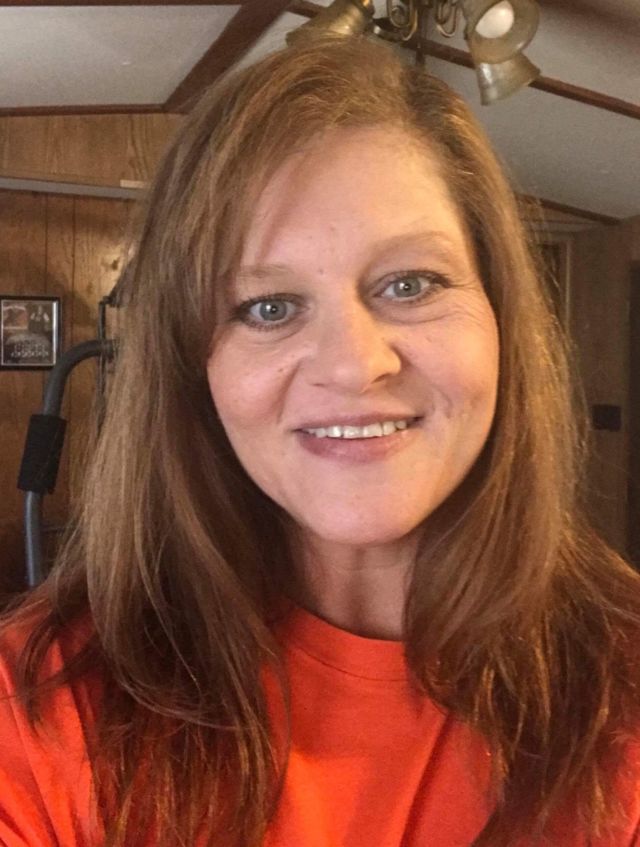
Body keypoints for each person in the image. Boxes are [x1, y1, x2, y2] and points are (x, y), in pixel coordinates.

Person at [1, 33, 639, 847]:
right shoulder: (41, 707)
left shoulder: (622, 679)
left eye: (410, 283)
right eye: (268, 307)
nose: (354, 365)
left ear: (501, 320)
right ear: (193, 369)